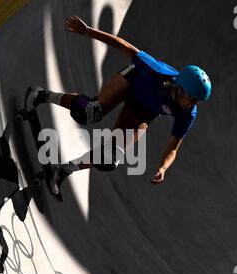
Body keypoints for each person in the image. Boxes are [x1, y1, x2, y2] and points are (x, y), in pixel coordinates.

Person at [25, 16, 211, 198]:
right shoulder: (158, 72)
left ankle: (63, 170)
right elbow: (124, 45)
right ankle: (41, 95)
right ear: (180, 89)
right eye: (193, 98)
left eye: (197, 102)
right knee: (90, 111)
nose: (193, 104)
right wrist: (87, 31)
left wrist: (163, 167)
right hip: (132, 82)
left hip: (143, 110)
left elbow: (173, 148)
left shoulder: (188, 112)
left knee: (110, 158)